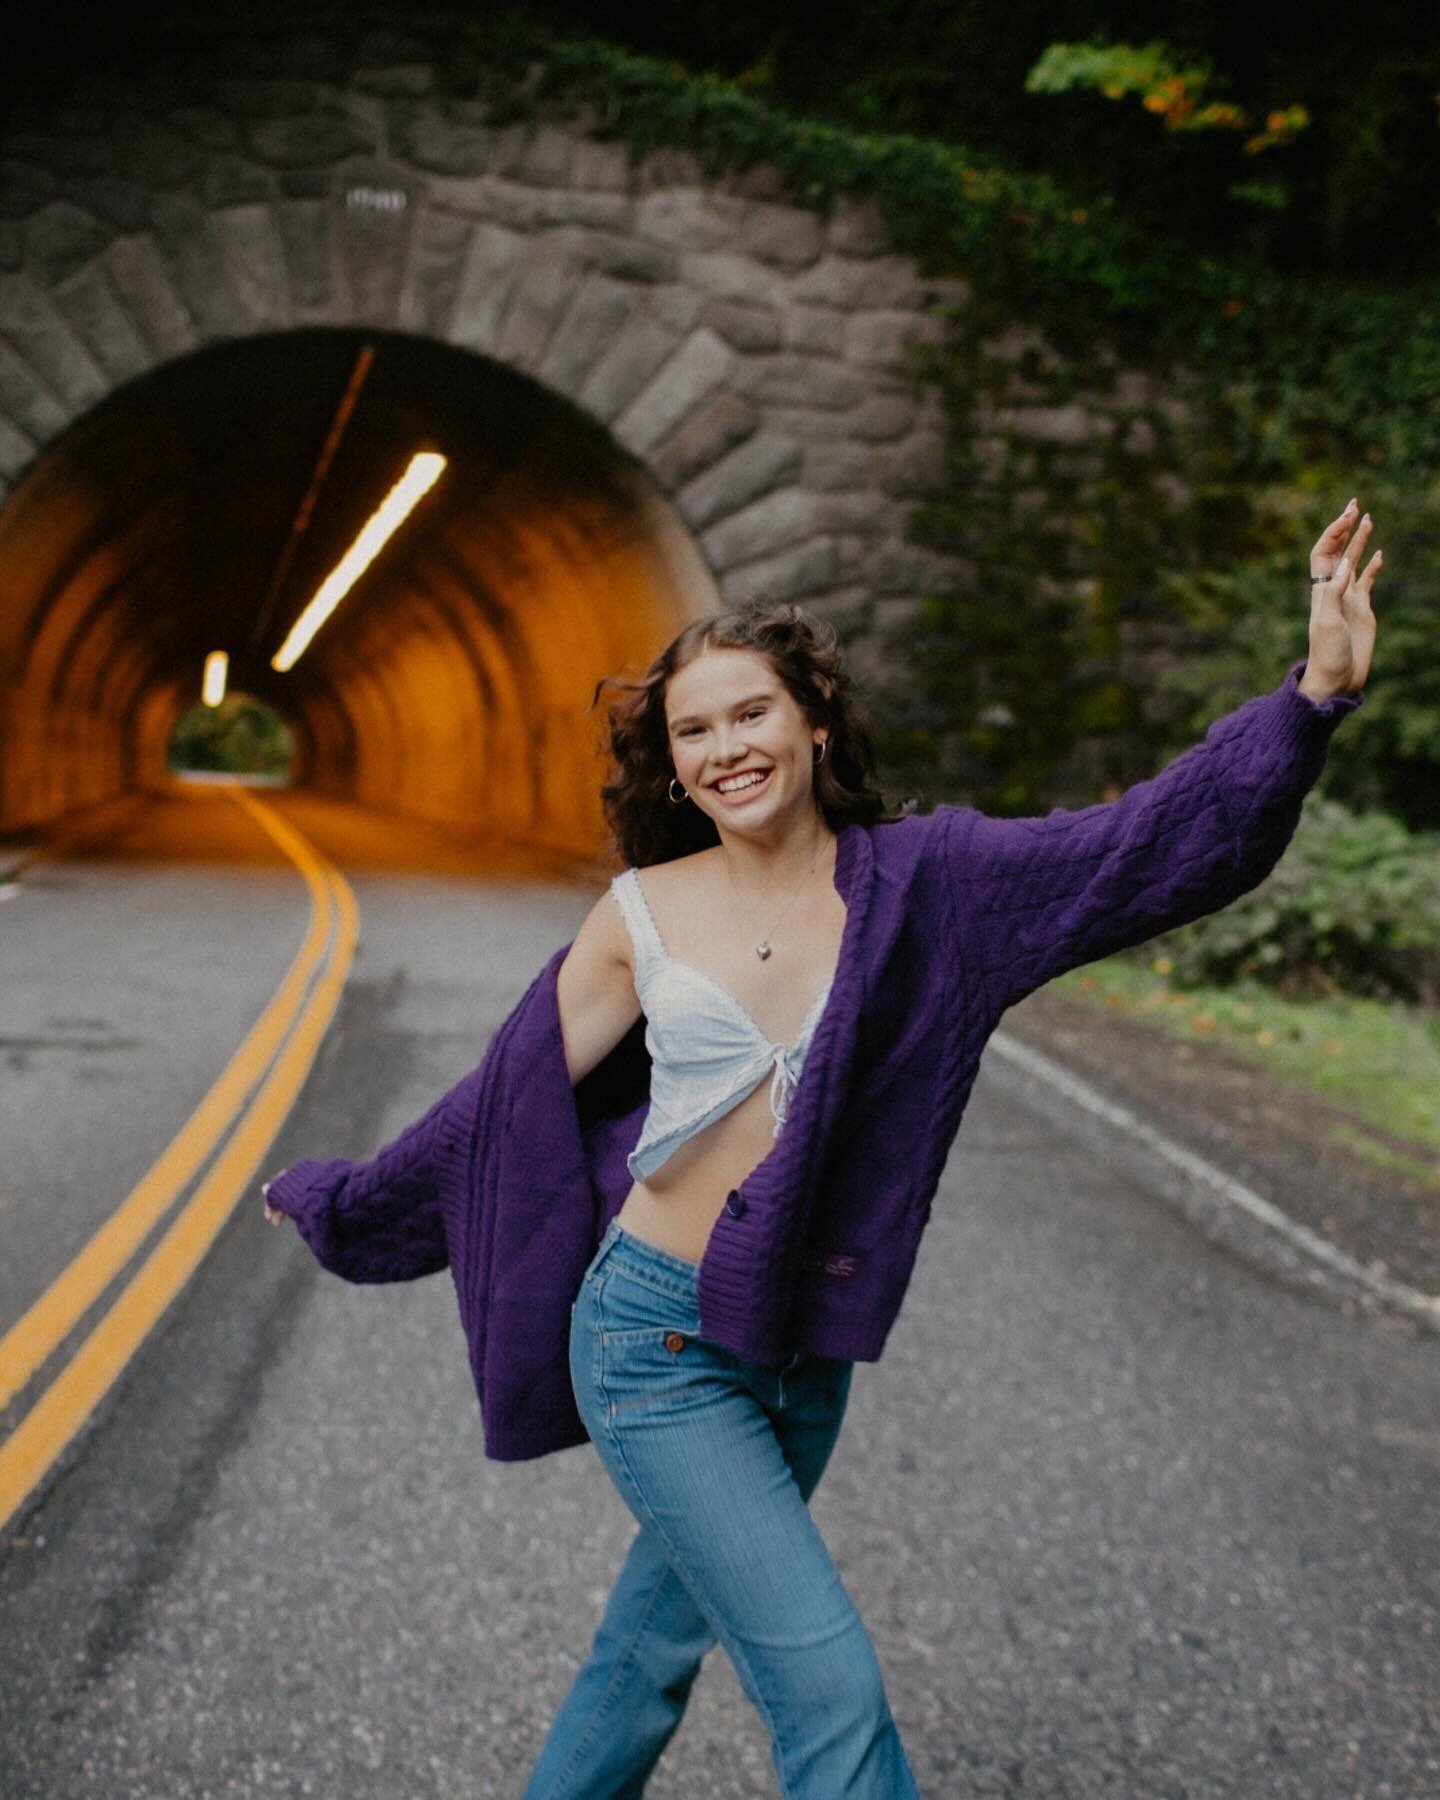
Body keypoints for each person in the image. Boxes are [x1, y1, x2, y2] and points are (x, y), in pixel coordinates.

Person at [262, 499, 1380, 1796]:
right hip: (652, 1341)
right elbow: (502, 1103)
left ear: (815, 721)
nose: (727, 747)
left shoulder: (937, 887)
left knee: (649, 1654)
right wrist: (350, 1204)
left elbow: (1140, 853)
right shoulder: (641, 916)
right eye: (695, 731)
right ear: (673, 767)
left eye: (751, 714)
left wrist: (1310, 699)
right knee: (832, 1697)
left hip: (799, 1355)